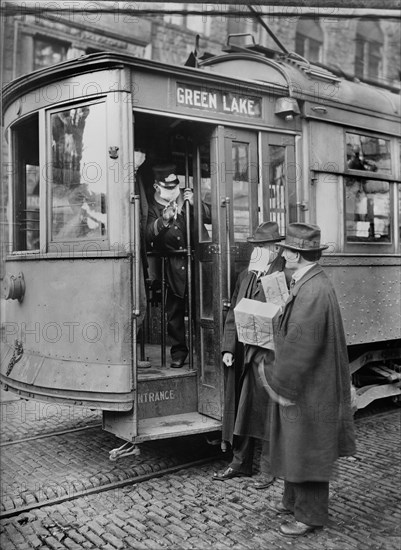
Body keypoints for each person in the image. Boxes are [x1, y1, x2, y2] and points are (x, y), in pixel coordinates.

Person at [260, 222, 356, 537]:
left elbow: (301, 346)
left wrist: (279, 381)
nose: (282, 252)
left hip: (309, 387)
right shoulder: (309, 281)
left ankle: (310, 515)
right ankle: (292, 501)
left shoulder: (312, 288)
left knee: (310, 447)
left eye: (286, 249)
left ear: (298, 255)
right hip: (310, 384)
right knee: (296, 444)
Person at [212, 221, 289, 488]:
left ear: (276, 248)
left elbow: (286, 318)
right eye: (255, 245)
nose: (256, 250)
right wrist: (228, 348)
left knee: (267, 410)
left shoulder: (284, 276)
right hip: (244, 352)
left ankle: (270, 467)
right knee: (243, 409)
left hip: (268, 354)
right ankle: (239, 462)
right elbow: (234, 312)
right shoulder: (246, 275)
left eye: (262, 246)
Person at [146, 163, 210, 368]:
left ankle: (205, 350)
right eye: (168, 187)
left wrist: (195, 204)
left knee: (201, 309)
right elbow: (148, 235)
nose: (173, 191)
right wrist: (163, 221)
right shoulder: (153, 207)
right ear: (157, 187)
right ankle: (179, 352)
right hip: (172, 265)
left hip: (196, 262)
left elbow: (209, 217)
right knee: (174, 312)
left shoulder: (187, 198)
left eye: (175, 187)